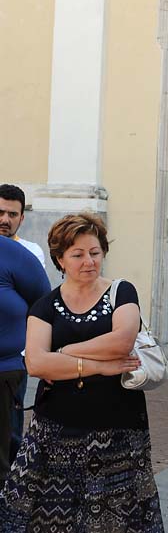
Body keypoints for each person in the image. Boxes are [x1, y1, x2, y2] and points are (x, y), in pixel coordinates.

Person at [0, 212, 168, 533]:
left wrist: (68, 353)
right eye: (78, 254)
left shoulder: (122, 293)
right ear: (59, 257)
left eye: (95, 252)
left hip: (119, 428)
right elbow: (35, 364)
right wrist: (96, 367)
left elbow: (122, 340)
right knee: (62, 520)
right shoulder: (45, 305)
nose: (89, 261)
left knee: (124, 523)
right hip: (59, 429)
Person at [0, 184, 47, 464]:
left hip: (10, 363)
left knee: (9, 434)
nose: (4, 219)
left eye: (11, 214)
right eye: (0, 212)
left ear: (22, 218)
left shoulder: (27, 254)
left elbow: (39, 304)